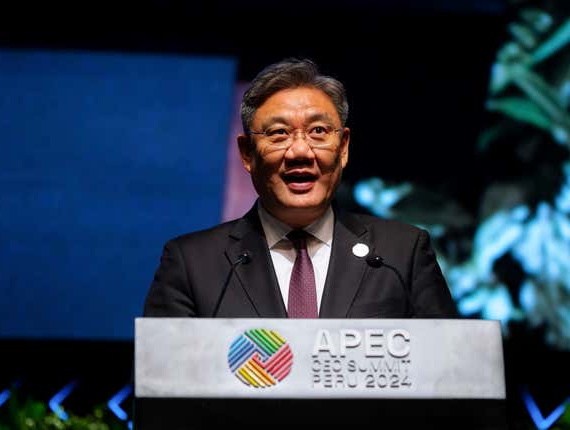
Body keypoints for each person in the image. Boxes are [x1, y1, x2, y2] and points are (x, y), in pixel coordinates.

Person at [143, 58, 457, 319]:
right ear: (247, 154)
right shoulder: (192, 263)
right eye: (279, 133)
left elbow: (451, 374)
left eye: (318, 131)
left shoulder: (401, 254)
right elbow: (160, 386)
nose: (300, 152)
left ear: (343, 147)